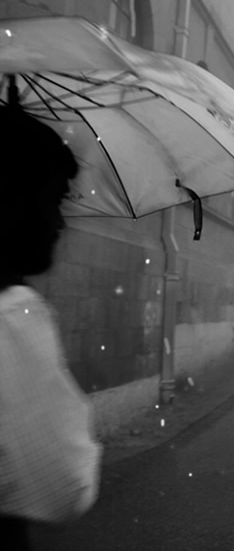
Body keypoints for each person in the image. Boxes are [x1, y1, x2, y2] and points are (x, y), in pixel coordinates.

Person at [0, 107, 101, 549]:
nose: (61, 224)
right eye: (56, 199)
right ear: (13, 200)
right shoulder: (12, 316)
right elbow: (65, 488)